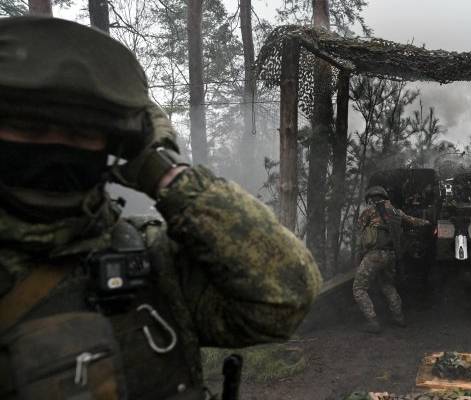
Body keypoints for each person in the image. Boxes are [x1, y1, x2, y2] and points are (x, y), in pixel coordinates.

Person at [0, 17, 322, 399]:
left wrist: (165, 172)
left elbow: (287, 295)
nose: (56, 148)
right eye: (31, 130)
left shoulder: (149, 259)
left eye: (80, 134)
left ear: (117, 143)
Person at [352, 186, 430, 333]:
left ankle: (372, 321)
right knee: (388, 285)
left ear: (371, 198)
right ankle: (399, 317)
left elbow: (359, 232)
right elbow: (414, 221)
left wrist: (358, 255)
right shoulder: (396, 211)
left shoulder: (369, 211)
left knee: (358, 288)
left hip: (374, 255)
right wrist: (427, 222)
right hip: (391, 255)